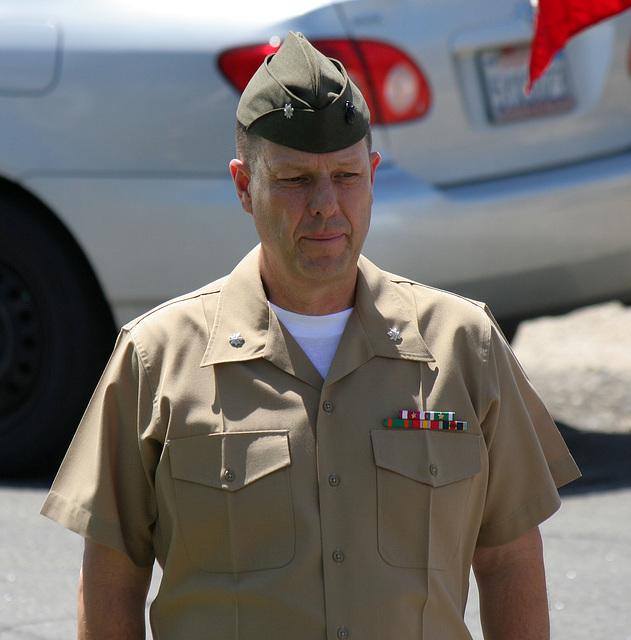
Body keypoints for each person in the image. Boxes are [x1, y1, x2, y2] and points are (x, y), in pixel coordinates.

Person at [42, 31, 580, 640]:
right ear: (245, 186)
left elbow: (509, 560)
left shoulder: (464, 345)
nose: (326, 204)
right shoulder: (156, 357)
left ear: (372, 175)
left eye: (345, 176)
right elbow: (112, 578)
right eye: (295, 180)